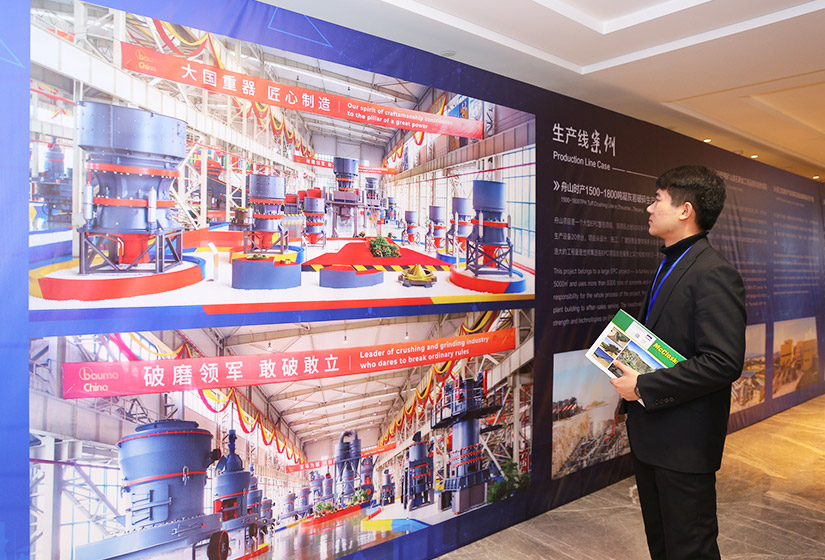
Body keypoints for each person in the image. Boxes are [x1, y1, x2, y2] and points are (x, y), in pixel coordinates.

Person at [610, 165, 746, 560]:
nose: (649, 208)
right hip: (655, 436)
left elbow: (723, 361)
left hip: (684, 445)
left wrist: (643, 386)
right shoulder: (670, 263)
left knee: (690, 549)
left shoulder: (714, 272)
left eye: (658, 200)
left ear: (685, 210)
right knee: (663, 545)